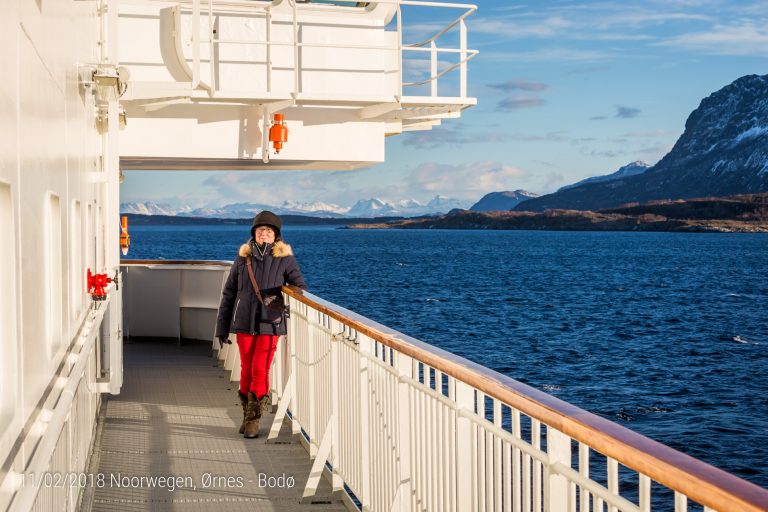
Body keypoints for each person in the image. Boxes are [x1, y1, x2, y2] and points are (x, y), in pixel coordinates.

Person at [215, 211, 307, 438]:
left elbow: (299, 287)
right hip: (244, 321)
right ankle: (247, 415)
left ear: (275, 235)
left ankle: (254, 420)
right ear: (254, 234)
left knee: (259, 368)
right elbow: (228, 294)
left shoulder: (285, 259)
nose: (264, 234)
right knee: (246, 368)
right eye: (260, 231)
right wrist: (222, 327)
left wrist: (282, 295)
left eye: (268, 231)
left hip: (270, 322)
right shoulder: (242, 259)